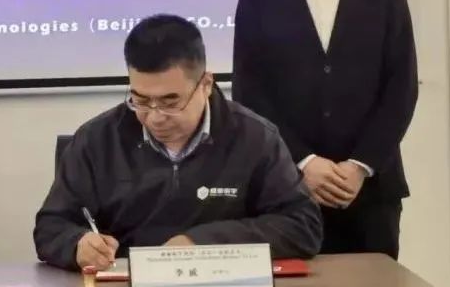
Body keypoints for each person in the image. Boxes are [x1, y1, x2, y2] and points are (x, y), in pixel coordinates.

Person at [232, 0, 418, 259]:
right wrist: (304, 162)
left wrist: (360, 165)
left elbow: (401, 88)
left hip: (369, 189)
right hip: (286, 187)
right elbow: (251, 93)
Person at [34, 15, 321, 271]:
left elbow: (302, 225)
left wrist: (201, 243)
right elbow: (50, 227)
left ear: (206, 85)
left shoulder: (254, 136)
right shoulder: (98, 140)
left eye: (170, 102)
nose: (155, 117)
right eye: (140, 100)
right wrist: (78, 244)